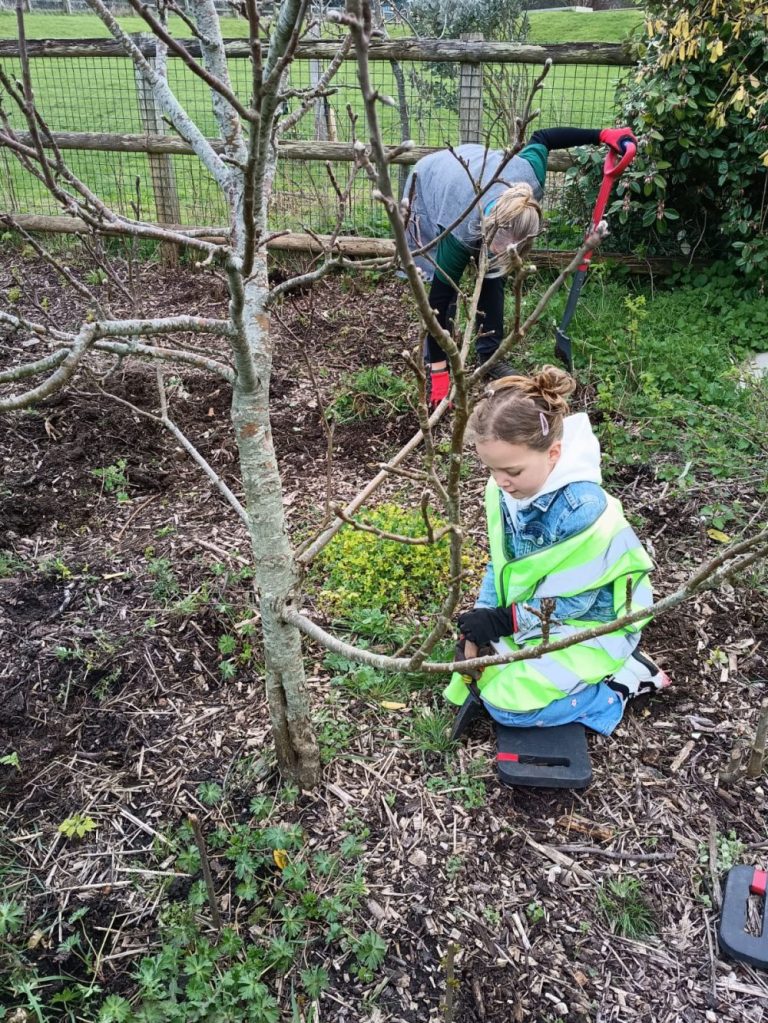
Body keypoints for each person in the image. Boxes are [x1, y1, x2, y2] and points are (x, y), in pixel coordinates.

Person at [443, 366, 670, 735]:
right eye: (491, 469)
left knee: (509, 709)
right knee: (471, 667)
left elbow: (577, 600)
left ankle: (620, 684)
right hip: (535, 613)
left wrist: (504, 621)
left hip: (592, 625)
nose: (501, 481)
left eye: (512, 471)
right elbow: (500, 561)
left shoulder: (582, 510)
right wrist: (484, 613)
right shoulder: (506, 488)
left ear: (553, 453)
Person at [403, 127, 636, 404]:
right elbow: (436, 304)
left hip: (484, 173)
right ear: (488, 229)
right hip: (433, 181)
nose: (506, 254)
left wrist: (602, 135)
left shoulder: (528, 176)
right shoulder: (460, 231)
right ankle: (436, 361)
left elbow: (543, 138)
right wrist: (441, 376)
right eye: (498, 247)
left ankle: (488, 354)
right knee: (442, 285)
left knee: (493, 274)